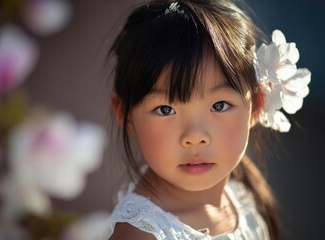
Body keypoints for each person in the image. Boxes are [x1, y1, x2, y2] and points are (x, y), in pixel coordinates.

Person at [103, 0, 311, 239]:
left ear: (257, 105)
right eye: (165, 109)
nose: (195, 136)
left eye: (219, 105)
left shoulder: (242, 196)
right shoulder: (141, 234)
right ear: (126, 116)